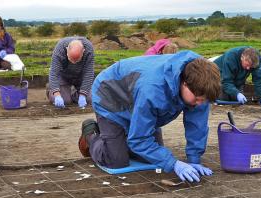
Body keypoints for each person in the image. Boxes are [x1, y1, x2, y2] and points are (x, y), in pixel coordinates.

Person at [78, 51, 221, 183]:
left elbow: (197, 126)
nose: (200, 103)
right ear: (184, 83)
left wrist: (194, 160)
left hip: (136, 97)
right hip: (110, 97)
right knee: (116, 160)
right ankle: (91, 134)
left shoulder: (202, 84)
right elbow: (140, 140)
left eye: (204, 100)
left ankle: (121, 137)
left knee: (151, 159)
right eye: (197, 99)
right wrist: (173, 164)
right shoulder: (153, 90)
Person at [47, 37, 95, 109]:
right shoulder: (59, 49)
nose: (74, 62)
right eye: (71, 59)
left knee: (91, 99)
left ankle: (75, 94)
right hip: (64, 76)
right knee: (65, 101)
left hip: (80, 76)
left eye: (77, 60)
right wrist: (57, 95)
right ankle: (50, 89)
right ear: (67, 50)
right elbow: (53, 73)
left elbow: (89, 72)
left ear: (83, 51)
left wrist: (83, 95)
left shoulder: (89, 50)